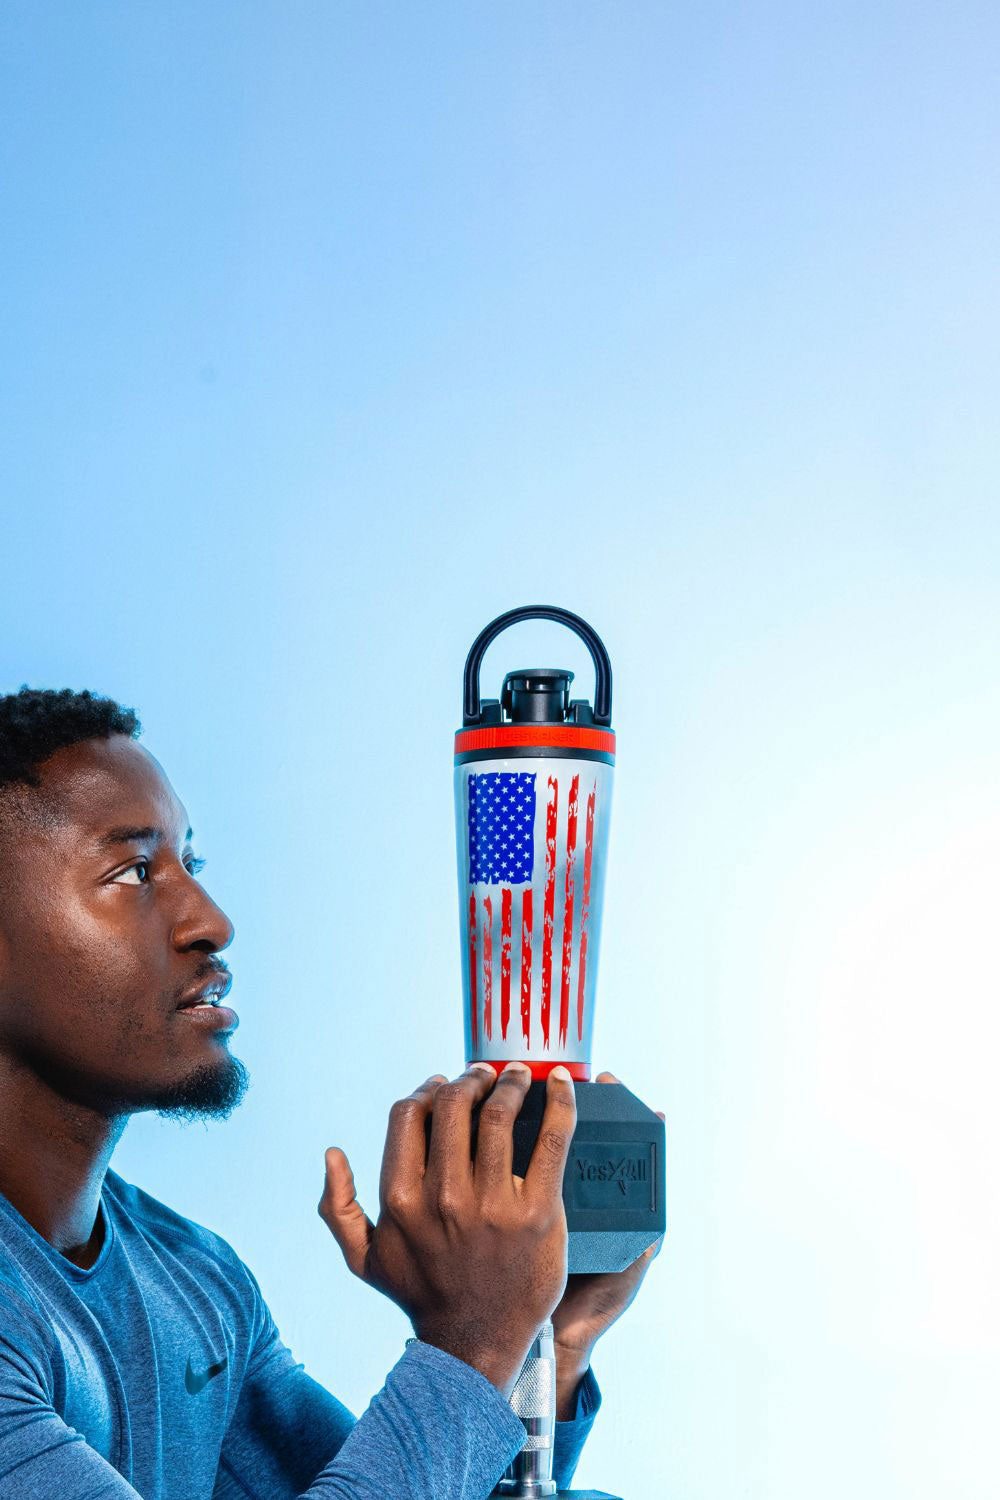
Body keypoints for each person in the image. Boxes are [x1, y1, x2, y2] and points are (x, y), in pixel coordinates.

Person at [0, 687, 661, 1498]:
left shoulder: (194, 1281)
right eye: (136, 871)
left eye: (190, 865)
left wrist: (541, 1343)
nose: (210, 920)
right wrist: (470, 1342)